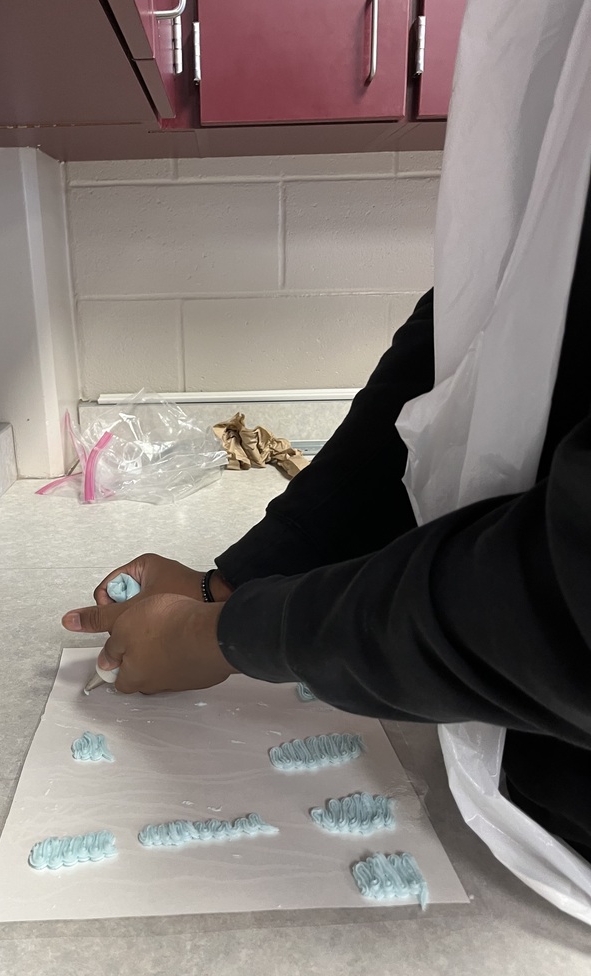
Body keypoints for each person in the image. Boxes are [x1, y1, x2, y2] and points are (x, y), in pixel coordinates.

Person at [62, 0, 591, 871]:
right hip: (502, 772)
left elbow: (581, 591)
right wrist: (230, 582)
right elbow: (464, 341)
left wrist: (227, 636)